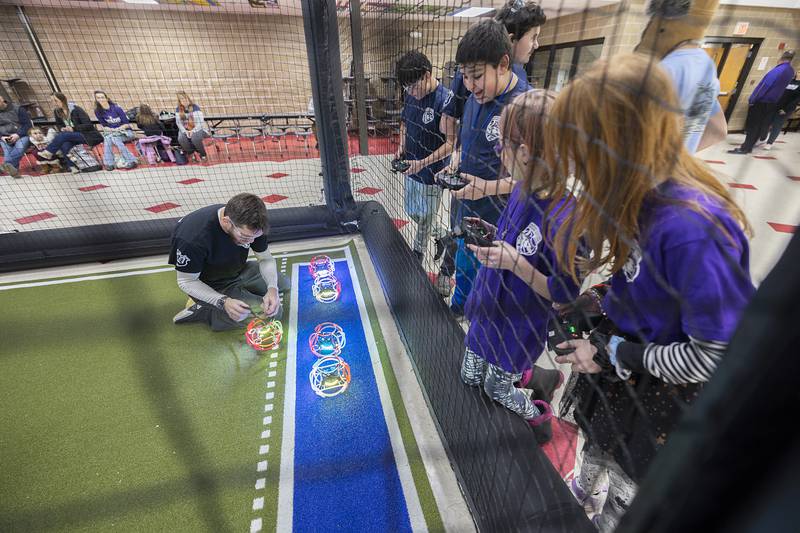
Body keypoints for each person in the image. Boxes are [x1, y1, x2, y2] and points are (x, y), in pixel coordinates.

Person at [544, 54, 754, 531]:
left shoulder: (691, 227)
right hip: (625, 365)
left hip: (667, 393)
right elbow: (638, 276)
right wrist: (595, 302)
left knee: (632, 487)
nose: (577, 171)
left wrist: (619, 353)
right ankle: (585, 496)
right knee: (596, 449)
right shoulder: (637, 199)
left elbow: (715, 356)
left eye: (583, 156)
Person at [460, 89, 579, 444]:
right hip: (489, 303)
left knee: (496, 388)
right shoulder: (521, 188)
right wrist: (495, 237)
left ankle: (539, 415)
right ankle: (533, 376)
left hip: (517, 321)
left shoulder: (565, 217)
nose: (499, 155)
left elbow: (563, 292)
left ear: (525, 154)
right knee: (469, 377)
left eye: (502, 149)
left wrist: (515, 263)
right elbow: (513, 238)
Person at [442, 19, 532, 316]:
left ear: (503, 64)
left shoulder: (524, 107)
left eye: (477, 76)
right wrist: (456, 157)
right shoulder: (472, 98)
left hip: (500, 222)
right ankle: (457, 309)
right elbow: (465, 142)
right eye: (465, 77)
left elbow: (532, 178)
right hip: (466, 212)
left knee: (489, 287)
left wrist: (487, 188)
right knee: (464, 271)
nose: (470, 85)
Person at [169, 193, 290, 331]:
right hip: (211, 284)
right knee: (271, 316)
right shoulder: (192, 239)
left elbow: (265, 259)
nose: (251, 242)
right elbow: (186, 282)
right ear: (227, 222)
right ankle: (205, 311)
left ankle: (239, 293)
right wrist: (223, 302)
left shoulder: (253, 224)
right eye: (245, 237)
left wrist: (272, 288)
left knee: (283, 283)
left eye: (255, 237)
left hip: (237, 270)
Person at [635, 0, 727, 153]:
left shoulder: (663, 70)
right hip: (674, 171)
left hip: (641, 173)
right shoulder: (706, 66)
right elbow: (718, 130)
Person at [395, 51, 454, 262]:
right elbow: (404, 123)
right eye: (406, 88)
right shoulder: (411, 95)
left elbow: (451, 143)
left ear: (427, 75)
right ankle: (442, 235)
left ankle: (417, 254)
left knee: (426, 216)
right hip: (410, 166)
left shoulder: (445, 100)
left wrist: (423, 163)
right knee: (412, 211)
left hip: (432, 172)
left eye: (412, 86)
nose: (410, 91)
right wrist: (401, 146)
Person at [729, 50, 795, 154]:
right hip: (773, 103)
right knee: (760, 125)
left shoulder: (778, 70)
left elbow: (765, 85)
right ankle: (749, 146)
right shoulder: (791, 71)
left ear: (781, 58)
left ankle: (745, 148)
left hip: (762, 101)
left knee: (753, 125)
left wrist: (753, 99)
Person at [37, 93, 101, 174]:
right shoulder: (57, 111)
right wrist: (62, 128)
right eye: (52, 101)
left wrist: (73, 128)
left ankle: (49, 152)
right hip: (70, 137)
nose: (54, 103)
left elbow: (88, 125)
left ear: (63, 100)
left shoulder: (76, 109)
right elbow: (59, 125)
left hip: (88, 135)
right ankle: (72, 167)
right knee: (65, 144)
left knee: (64, 136)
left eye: (55, 100)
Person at [93, 90, 138, 170]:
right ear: (96, 100)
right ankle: (109, 164)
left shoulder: (116, 108)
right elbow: (104, 126)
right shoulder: (98, 111)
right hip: (112, 133)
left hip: (126, 132)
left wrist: (117, 129)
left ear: (106, 98)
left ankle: (132, 161)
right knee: (108, 138)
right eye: (98, 98)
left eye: (102, 97)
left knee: (113, 138)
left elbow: (126, 124)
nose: (100, 99)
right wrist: (111, 130)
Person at [762, 76, 800, 150]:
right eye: (798, 71)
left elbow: (796, 100)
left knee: (777, 125)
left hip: (786, 108)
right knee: (766, 121)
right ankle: (763, 137)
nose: (798, 73)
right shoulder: (789, 80)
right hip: (776, 104)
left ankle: (769, 143)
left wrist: (786, 109)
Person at [0, 96, 32, 178]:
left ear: (2, 100)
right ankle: (14, 172)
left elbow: (27, 125)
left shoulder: (18, 109)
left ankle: (6, 165)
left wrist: (17, 135)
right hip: (4, 137)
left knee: (19, 148)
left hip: (21, 135)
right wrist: (1, 137)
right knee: (8, 154)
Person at [175, 91, 210, 162]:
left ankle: (203, 154)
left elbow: (200, 122)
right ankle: (192, 153)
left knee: (195, 138)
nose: (184, 101)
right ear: (179, 101)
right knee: (181, 138)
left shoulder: (195, 107)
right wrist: (185, 132)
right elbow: (178, 123)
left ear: (188, 98)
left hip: (198, 128)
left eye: (185, 98)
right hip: (185, 129)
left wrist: (192, 131)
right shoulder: (178, 109)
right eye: (182, 99)